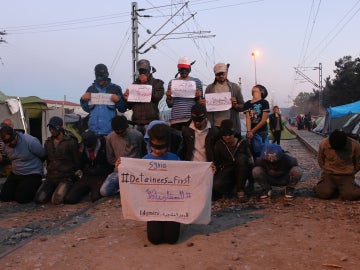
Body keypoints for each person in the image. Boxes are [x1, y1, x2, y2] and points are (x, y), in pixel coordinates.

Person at [141, 123, 182, 244]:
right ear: (150, 143)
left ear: (168, 144)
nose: (158, 150)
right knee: (154, 239)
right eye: (155, 146)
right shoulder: (144, 161)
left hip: (172, 206)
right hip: (153, 206)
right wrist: (121, 166)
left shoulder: (175, 159)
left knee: (171, 239)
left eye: (162, 147)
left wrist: (208, 169)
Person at [35, 116, 80, 204]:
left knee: (56, 201)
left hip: (65, 177)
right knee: (39, 199)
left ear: (61, 127)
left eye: (54, 128)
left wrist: (74, 173)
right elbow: (47, 159)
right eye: (50, 128)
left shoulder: (71, 141)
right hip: (51, 177)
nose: (52, 130)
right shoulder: (48, 142)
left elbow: (76, 160)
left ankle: (70, 186)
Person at [100, 115, 144, 197]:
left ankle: (126, 188)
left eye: (122, 131)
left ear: (127, 127)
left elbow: (143, 153)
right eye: (117, 132)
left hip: (136, 170)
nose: (120, 134)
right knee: (104, 191)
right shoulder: (110, 138)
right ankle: (122, 188)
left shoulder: (137, 135)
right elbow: (110, 157)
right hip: (119, 171)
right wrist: (115, 163)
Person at [64, 130, 113, 204]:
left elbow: (110, 163)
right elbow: (79, 165)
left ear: (95, 142)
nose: (89, 148)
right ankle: (86, 191)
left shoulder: (105, 144)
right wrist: (80, 153)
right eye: (87, 146)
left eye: (91, 146)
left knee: (95, 198)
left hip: (101, 175)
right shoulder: (83, 148)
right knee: (69, 199)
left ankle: (92, 191)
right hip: (87, 175)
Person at [0, 125, 45, 203]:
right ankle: (21, 187)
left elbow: (43, 155)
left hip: (32, 173)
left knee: (22, 198)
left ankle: (36, 186)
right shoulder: (5, 145)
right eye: (6, 142)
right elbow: (7, 158)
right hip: (16, 173)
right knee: (5, 197)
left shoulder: (30, 141)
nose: (8, 144)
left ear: (15, 135)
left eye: (10, 140)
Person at [80, 63, 127, 136]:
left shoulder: (115, 88)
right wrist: (82, 100)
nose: (100, 80)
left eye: (102, 77)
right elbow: (87, 109)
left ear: (106, 75)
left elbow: (122, 109)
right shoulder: (90, 89)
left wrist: (118, 100)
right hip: (93, 132)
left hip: (110, 132)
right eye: (98, 77)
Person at [212, 119, 253, 201]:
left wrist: (251, 180)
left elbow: (251, 161)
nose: (227, 137)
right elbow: (216, 162)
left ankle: (240, 189)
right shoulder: (218, 145)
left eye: (229, 134)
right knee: (216, 185)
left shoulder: (243, 142)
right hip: (227, 171)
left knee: (241, 159)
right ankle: (230, 188)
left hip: (242, 170)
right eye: (224, 134)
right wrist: (214, 168)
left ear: (234, 133)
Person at [314, 129, 360, 201]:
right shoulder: (323, 144)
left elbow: (358, 163)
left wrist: (351, 173)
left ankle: (346, 187)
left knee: (349, 195)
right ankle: (334, 188)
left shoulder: (355, 145)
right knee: (322, 193)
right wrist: (326, 171)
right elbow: (320, 160)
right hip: (329, 175)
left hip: (346, 176)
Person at [123, 59, 165, 135]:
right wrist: (126, 99)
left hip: (151, 123)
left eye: (144, 71)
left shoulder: (158, 83)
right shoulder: (134, 85)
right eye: (140, 71)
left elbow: (157, 97)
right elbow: (129, 106)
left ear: (149, 70)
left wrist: (145, 83)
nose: (142, 73)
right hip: (136, 123)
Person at [204, 63, 244, 134]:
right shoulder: (209, 88)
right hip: (215, 126)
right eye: (218, 74)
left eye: (223, 73)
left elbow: (243, 106)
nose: (221, 76)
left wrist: (235, 105)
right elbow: (205, 107)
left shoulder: (235, 87)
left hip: (231, 126)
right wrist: (203, 103)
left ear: (226, 73)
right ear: (215, 75)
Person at [165, 56, 203, 131]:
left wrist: (198, 97)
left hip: (191, 119)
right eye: (181, 69)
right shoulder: (172, 83)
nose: (183, 71)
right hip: (176, 119)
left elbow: (201, 104)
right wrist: (169, 98)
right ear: (178, 69)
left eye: (185, 69)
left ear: (189, 69)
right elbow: (170, 105)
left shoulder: (196, 82)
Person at [243, 84, 270, 158]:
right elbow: (248, 118)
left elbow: (264, 120)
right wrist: (248, 132)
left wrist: (252, 131)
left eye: (256, 87)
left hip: (262, 132)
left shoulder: (264, 102)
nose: (254, 88)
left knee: (263, 153)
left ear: (261, 91)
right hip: (251, 133)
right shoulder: (247, 103)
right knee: (252, 153)